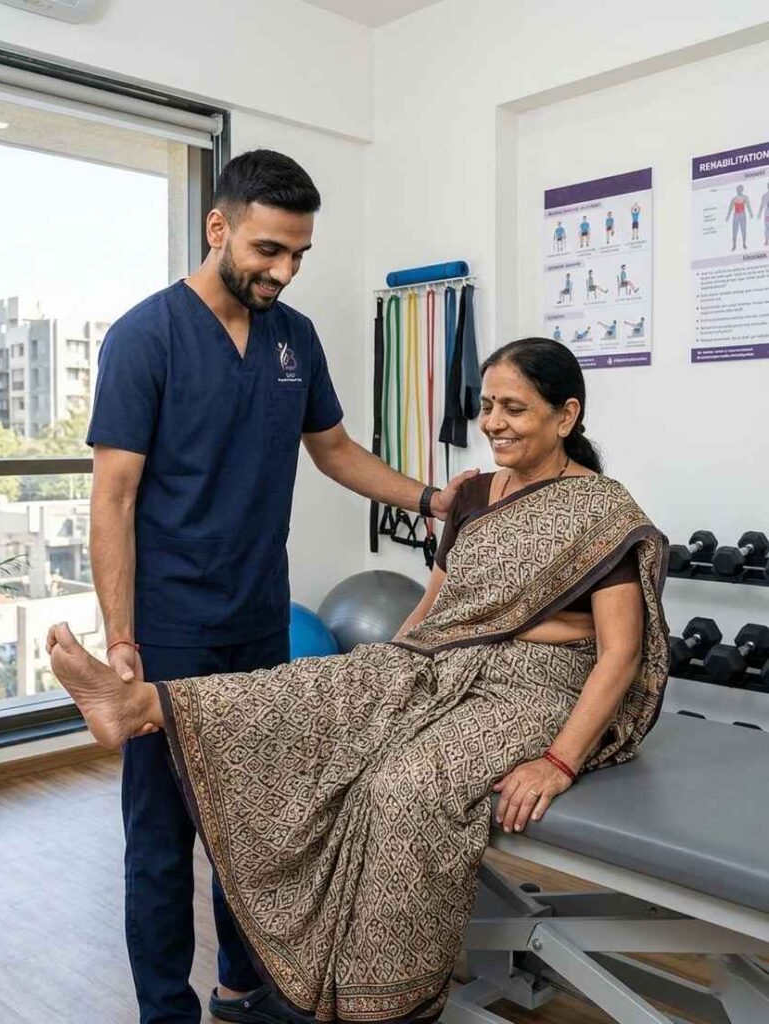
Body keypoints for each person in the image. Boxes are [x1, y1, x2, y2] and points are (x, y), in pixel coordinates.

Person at [51, 336, 670, 1024]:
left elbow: (618, 653)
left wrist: (558, 762)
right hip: (442, 662)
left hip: (536, 688)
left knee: (397, 788)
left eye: (515, 408)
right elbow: (437, 605)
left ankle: (387, 1003)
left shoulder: (600, 511)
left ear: (566, 416)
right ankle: (139, 703)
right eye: (487, 405)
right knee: (314, 693)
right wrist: (386, 670)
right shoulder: (470, 496)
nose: (493, 422)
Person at [86, 148, 474, 1024]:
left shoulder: (294, 337)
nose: (283, 271)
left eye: (298, 255)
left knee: (256, 823)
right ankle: (163, 1011)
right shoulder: (145, 336)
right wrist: (120, 637)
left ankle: (241, 985)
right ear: (218, 226)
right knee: (161, 835)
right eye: (268, 250)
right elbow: (112, 498)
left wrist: (427, 496)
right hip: (170, 628)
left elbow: (332, 450)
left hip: (260, 619)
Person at [727, 185, 753, 251]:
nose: (739, 190)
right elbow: (730, 207)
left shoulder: (745, 197)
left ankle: (744, 244)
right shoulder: (734, 198)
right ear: (737, 190)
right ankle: (734, 246)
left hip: (742, 214)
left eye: (740, 189)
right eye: (738, 189)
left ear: (742, 190)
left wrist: (750, 213)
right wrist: (728, 216)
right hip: (736, 215)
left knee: (743, 230)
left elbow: (748, 205)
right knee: (734, 230)